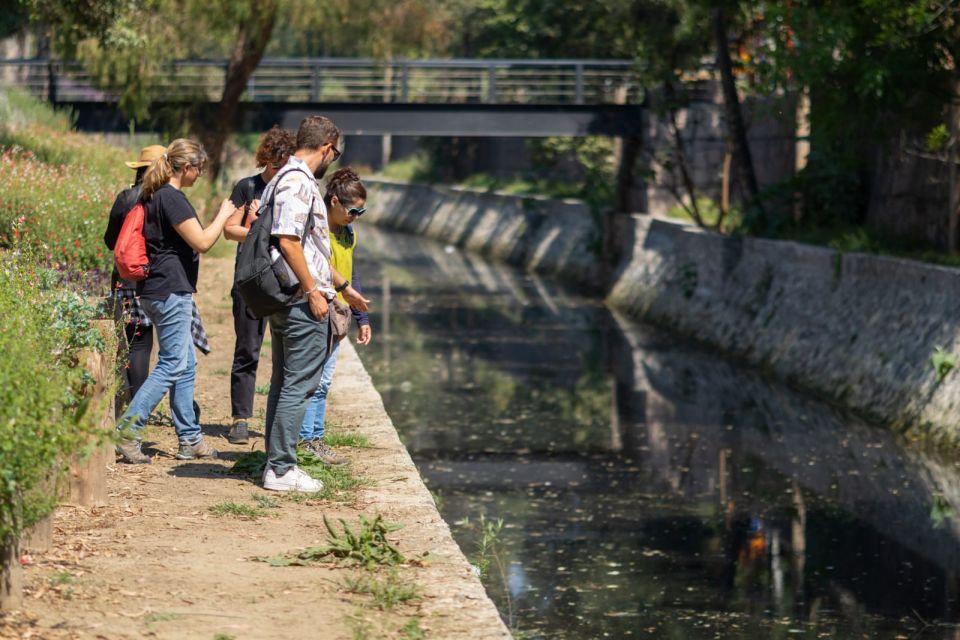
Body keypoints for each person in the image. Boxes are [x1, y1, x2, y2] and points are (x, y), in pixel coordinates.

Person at [262, 115, 369, 492]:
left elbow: (311, 247)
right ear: (326, 148)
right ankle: (280, 469)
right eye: (334, 153)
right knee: (298, 385)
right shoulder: (298, 182)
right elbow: (288, 239)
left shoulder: (285, 179)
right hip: (298, 300)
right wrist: (312, 291)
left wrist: (343, 287)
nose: (332, 160)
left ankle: (275, 462)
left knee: (283, 382)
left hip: (291, 295)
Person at [115, 138, 237, 464]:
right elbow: (203, 242)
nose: (199, 176)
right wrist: (224, 214)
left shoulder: (153, 195)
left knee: (185, 364)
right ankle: (128, 431)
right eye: (199, 170)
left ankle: (190, 438)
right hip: (169, 292)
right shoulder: (172, 198)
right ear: (186, 168)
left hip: (157, 290)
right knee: (172, 364)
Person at [222, 126, 297, 445]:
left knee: (289, 352)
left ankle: (283, 421)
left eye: (285, 163)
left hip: (285, 280)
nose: (278, 169)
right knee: (248, 348)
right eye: (274, 162)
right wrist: (255, 229)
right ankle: (240, 417)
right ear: (265, 158)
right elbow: (229, 230)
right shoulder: (248, 187)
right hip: (251, 280)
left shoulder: (292, 189)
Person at [299, 168, 372, 465]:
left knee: (325, 380)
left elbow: (351, 274)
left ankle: (315, 438)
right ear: (333, 202)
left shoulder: (347, 232)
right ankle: (307, 440)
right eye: (353, 210)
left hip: (340, 313)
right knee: (314, 379)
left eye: (361, 211)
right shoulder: (319, 232)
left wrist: (362, 318)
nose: (356, 215)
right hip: (319, 308)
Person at [104, 145, 165, 416]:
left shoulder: (125, 198)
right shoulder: (165, 199)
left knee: (127, 341)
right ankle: (138, 410)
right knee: (143, 344)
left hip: (124, 280)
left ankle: (125, 404)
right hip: (152, 279)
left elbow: (110, 240)